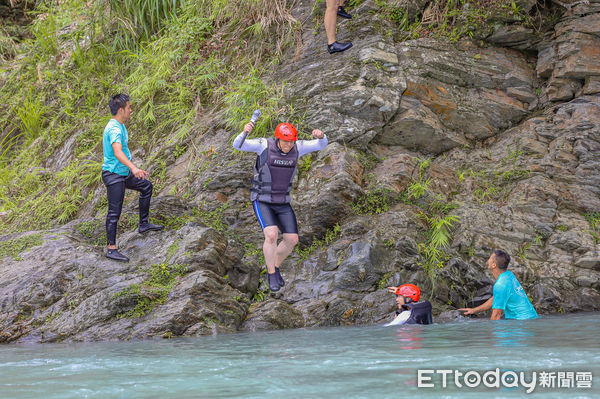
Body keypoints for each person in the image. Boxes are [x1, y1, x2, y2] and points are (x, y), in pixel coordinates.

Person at [232, 121, 328, 292]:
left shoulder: (298, 147)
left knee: (292, 240)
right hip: (262, 199)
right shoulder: (262, 145)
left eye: (291, 142)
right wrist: (245, 132)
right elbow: (238, 145)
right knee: (271, 234)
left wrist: (321, 136)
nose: (288, 145)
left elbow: (322, 145)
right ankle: (271, 274)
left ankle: (274, 267)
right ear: (278, 139)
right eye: (285, 142)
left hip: (282, 201)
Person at [101, 94, 163, 262]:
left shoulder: (120, 125)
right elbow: (117, 151)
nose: (131, 110)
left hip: (121, 172)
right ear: (121, 110)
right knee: (115, 211)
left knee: (146, 186)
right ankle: (111, 249)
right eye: (129, 108)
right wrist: (134, 168)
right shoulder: (114, 128)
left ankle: (143, 224)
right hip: (113, 175)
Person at [459, 250, 538, 320]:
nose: (488, 260)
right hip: (532, 317)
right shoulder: (509, 275)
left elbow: (496, 316)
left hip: (522, 322)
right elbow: (495, 298)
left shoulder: (501, 285)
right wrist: (474, 310)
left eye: (490, 258)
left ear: (494, 265)